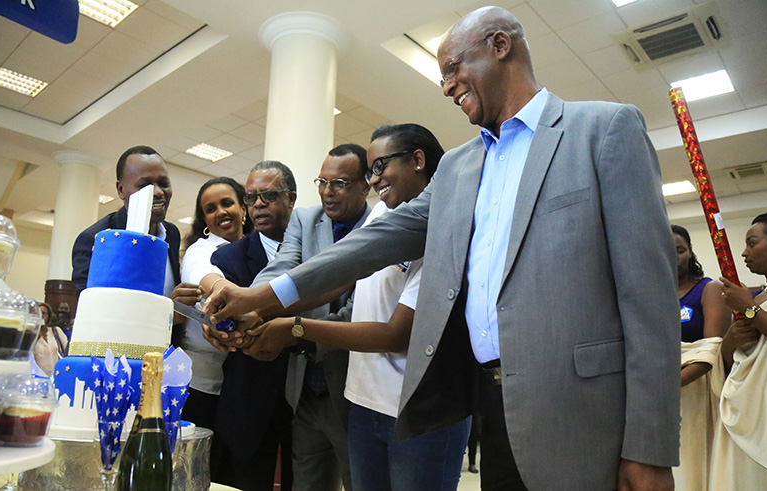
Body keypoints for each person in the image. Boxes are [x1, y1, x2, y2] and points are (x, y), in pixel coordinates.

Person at [206, 7, 680, 490]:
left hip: (578, 411)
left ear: (500, 46)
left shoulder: (602, 130)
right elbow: (372, 244)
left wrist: (649, 446)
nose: (448, 86)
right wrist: (263, 297)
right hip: (485, 401)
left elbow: (649, 300)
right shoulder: (457, 167)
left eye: (454, 67)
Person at [246, 124, 469, 490]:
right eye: (371, 171)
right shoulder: (384, 214)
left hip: (418, 410)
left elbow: (396, 333)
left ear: (417, 161)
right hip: (363, 404)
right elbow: (340, 278)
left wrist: (294, 327)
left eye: (380, 166)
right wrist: (261, 307)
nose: (376, 179)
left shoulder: (447, 228)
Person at [212, 144, 371, 491]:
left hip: (353, 389)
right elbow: (281, 270)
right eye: (323, 182)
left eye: (340, 183)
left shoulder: (381, 228)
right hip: (305, 391)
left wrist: (295, 331)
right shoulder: (305, 220)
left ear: (365, 185)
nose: (328, 192)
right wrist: (249, 311)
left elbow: (357, 312)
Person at [210, 161, 297, 490]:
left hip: (306, 391)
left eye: (269, 195)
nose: (258, 204)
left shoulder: (317, 249)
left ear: (291, 198)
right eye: (251, 198)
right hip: (249, 391)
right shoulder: (229, 259)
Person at [712, 211, 767, 489]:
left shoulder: (749, 303)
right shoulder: (754, 298)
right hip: (743, 410)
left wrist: (750, 309)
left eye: (752, 243)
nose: (743, 252)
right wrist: (729, 341)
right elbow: (735, 361)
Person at [178, 177, 252, 433]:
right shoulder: (200, 250)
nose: (220, 212)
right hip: (199, 383)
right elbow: (201, 273)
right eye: (210, 209)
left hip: (244, 386)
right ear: (205, 221)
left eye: (227, 203)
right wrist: (222, 290)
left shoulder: (258, 246)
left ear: (243, 208)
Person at [71, 146, 181, 295]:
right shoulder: (95, 239)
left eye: (164, 183)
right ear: (121, 190)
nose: (158, 192)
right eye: (144, 186)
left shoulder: (172, 234)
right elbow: (94, 307)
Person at [672, 225, 730, 490]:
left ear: (690, 252)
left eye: (680, 250)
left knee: (695, 464)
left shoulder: (709, 289)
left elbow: (713, 348)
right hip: (656, 388)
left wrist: (668, 384)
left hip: (697, 385)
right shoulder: (649, 295)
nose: (674, 256)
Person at [33, 301, 68, 376]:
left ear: (48, 316)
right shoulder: (30, 333)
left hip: (57, 376)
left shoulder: (56, 331)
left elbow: (68, 350)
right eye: (39, 312)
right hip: (38, 377)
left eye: (44, 313)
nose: (41, 315)